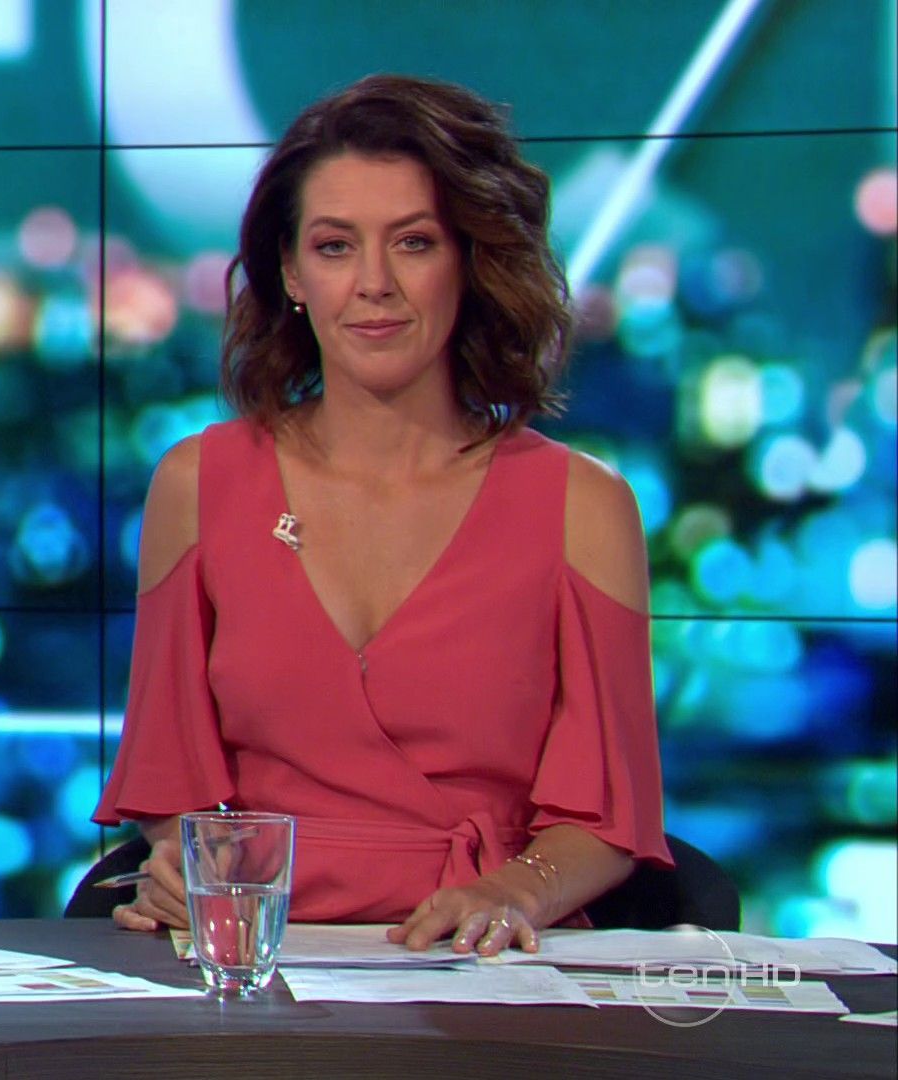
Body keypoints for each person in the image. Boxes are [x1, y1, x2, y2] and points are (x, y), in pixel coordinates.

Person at [96, 74, 672, 956]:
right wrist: (184, 868)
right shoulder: (198, 484)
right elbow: (170, 783)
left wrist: (512, 892)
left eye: (414, 243)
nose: (374, 284)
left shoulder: (583, 508)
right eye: (335, 247)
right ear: (291, 272)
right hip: (254, 955)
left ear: (469, 262)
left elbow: (606, 818)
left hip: (479, 965)